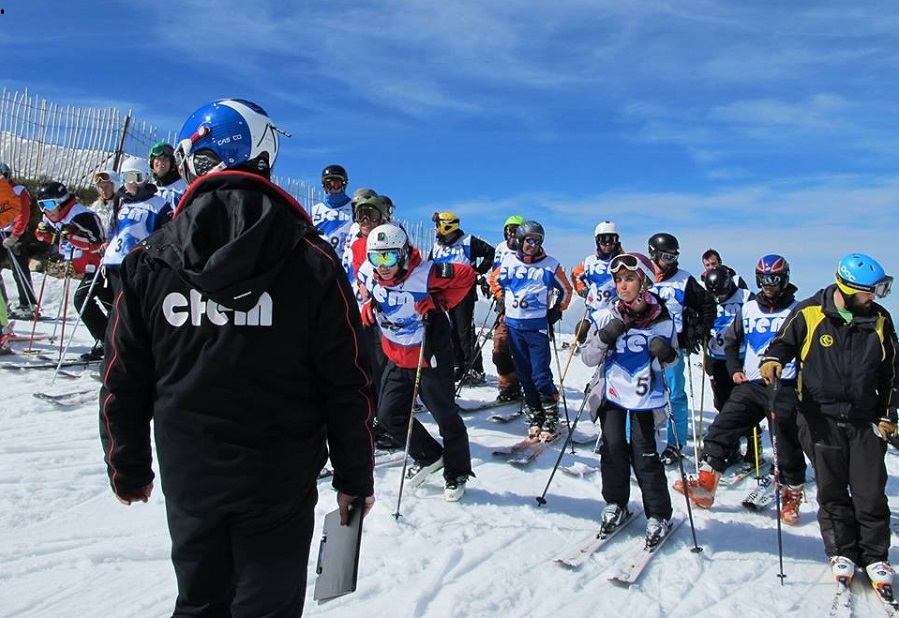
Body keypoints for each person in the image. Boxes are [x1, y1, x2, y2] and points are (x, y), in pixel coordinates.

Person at [99, 98, 375, 617]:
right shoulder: (311, 260)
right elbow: (350, 379)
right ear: (262, 157)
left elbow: (122, 376)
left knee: (201, 600)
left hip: (190, 473)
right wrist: (354, 479)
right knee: (267, 604)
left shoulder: (150, 258)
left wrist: (127, 466)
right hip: (280, 478)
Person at [760, 253, 897, 589]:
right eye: (870, 291)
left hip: (865, 420)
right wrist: (774, 360)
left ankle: (875, 554)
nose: (875, 297)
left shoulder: (880, 320)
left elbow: (892, 372)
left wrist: (888, 415)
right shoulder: (808, 312)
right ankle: (842, 550)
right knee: (832, 488)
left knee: (869, 491)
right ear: (847, 288)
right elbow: (782, 343)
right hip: (819, 417)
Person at [674, 254, 808, 526]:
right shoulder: (749, 309)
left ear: (784, 279)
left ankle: (791, 493)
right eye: (763, 280)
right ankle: (707, 481)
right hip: (753, 382)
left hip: (785, 383)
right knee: (724, 423)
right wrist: (735, 368)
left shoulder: (796, 310)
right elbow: (733, 341)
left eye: (774, 279)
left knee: (785, 439)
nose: (768, 285)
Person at [357, 222, 475, 501]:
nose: (382, 266)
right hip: (396, 355)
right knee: (388, 415)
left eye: (389, 257)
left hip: (428, 355)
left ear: (403, 253)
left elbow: (467, 275)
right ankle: (430, 456)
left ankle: (456, 471)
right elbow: (364, 281)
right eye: (376, 257)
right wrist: (369, 305)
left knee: (445, 416)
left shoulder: (426, 274)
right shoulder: (369, 271)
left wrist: (441, 302)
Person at [579, 252, 677, 546]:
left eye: (629, 279)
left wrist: (667, 353)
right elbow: (587, 357)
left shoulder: (661, 317)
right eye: (619, 279)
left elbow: (672, 359)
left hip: (645, 395)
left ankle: (659, 513)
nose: (622, 286)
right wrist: (605, 336)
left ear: (644, 282)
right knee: (612, 447)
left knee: (645, 452)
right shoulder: (606, 315)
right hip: (611, 390)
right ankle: (616, 502)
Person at [490, 221, 573, 440]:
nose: (532, 245)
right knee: (524, 374)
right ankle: (535, 414)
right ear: (520, 241)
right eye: (529, 241)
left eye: (537, 242)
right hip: (514, 326)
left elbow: (565, 289)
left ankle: (550, 415)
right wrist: (500, 298)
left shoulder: (549, 265)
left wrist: (557, 310)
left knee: (540, 375)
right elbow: (495, 280)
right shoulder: (509, 261)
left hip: (536, 328)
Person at [648, 232, 716, 465]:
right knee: (643, 391)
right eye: (666, 257)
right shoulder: (644, 277)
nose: (671, 261)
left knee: (674, 394)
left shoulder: (684, 279)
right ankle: (640, 439)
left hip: (672, 345)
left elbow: (707, 305)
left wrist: (697, 331)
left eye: (674, 257)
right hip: (644, 344)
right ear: (654, 255)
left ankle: (675, 444)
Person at [33, 182, 106, 360]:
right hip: (87, 268)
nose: (45, 210)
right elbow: (51, 236)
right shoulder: (52, 217)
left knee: (83, 300)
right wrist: (45, 234)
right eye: (41, 205)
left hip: (102, 267)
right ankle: (110, 342)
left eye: (49, 204)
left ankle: (110, 342)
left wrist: (71, 236)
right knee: (107, 304)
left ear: (62, 201)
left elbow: (98, 245)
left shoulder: (81, 215)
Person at [428, 212, 496, 386]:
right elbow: (428, 266)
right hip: (443, 295)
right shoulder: (437, 245)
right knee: (449, 331)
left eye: (438, 225)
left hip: (464, 294)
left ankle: (474, 368)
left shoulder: (467, 241)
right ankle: (457, 365)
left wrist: (478, 271)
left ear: (447, 226)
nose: (435, 229)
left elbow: (491, 253)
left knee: (464, 331)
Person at [101, 155, 172, 294]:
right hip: (114, 261)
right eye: (128, 177)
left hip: (139, 262)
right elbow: (114, 227)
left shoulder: (158, 203)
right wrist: (108, 242)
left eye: (138, 177)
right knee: (118, 305)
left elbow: (166, 232)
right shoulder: (120, 201)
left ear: (146, 178)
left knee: (134, 305)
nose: (133, 182)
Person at [490, 215, 525, 402]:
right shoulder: (500, 248)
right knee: (500, 348)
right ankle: (509, 387)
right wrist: (497, 294)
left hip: (524, 310)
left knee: (522, 350)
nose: (513, 234)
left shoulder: (529, 251)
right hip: (504, 306)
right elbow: (495, 274)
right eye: (510, 230)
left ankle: (532, 387)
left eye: (517, 230)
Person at [0, 162, 38, 318]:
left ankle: (27, 304)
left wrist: (15, 235)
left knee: (19, 270)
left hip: (15, 235)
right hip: (1, 232)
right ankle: (2, 305)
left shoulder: (18, 190)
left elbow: (23, 213)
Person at [570, 220, 624, 312]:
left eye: (611, 239)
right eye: (604, 239)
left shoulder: (624, 261)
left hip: (617, 311)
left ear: (616, 241)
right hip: (594, 311)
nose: (607, 244)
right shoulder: (589, 261)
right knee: (583, 327)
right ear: (597, 241)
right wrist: (583, 291)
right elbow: (575, 275)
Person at [310, 164, 353, 255]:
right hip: (321, 260)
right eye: (328, 185)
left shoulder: (354, 207)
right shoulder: (315, 210)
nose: (332, 189)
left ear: (343, 185)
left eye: (336, 185)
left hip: (344, 261)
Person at [148, 141, 187, 208]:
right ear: (152, 163)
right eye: (158, 158)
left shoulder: (184, 187)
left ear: (171, 164)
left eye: (166, 159)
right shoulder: (149, 190)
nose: (161, 161)